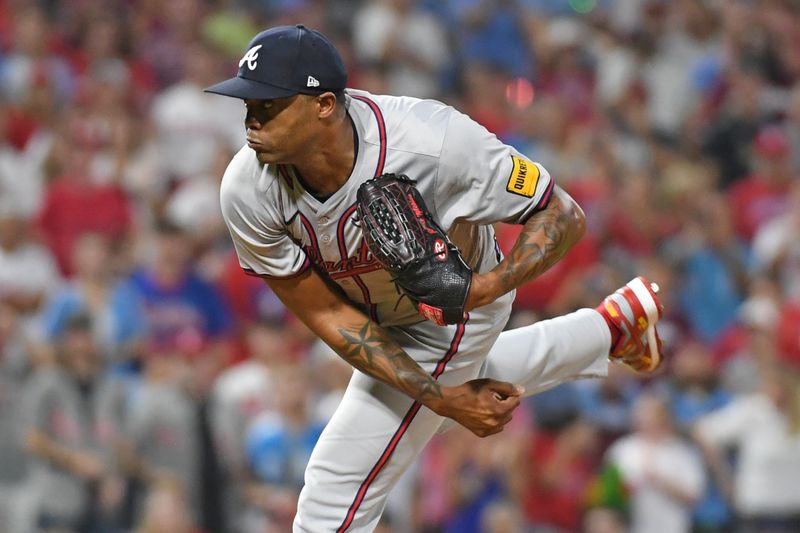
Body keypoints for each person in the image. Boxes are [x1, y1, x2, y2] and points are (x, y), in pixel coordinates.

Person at [207, 24, 665, 532]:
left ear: (324, 105)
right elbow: (326, 312)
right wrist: (440, 397)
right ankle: (611, 329)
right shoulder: (247, 188)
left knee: (335, 484)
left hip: (454, 311)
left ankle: (603, 332)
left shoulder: (434, 142)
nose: (251, 119)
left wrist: (486, 288)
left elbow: (562, 213)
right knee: (446, 387)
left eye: (269, 104)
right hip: (371, 308)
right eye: (248, 103)